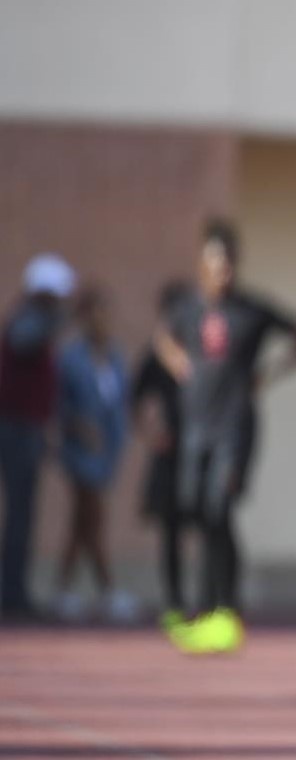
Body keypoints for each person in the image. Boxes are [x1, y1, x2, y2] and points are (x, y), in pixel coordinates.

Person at [155, 219, 296, 654]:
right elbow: (163, 337)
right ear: (202, 265)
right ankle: (205, 610)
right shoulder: (188, 309)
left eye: (228, 264)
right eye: (214, 263)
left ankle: (224, 610)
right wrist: (179, 363)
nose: (222, 272)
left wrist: (273, 371)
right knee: (196, 511)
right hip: (196, 427)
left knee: (219, 508)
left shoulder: (252, 310)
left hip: (235, 427)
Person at [53, 287, 138, 624]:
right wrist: (76, 426)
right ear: (84, 317)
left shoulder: (115, 355)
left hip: (107, 453)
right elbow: (58, 404)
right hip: (80, 452)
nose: (101, 320)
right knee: (93, 518)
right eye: (94, 313)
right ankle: (108, 589)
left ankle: (63, 589)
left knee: (80, 525)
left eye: (106, 312)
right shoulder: (70, 358)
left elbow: (120, 401)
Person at [0, 253, 76, 622]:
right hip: (14, 428)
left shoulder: (36, 320)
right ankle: (10, 591)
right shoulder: (29, 319)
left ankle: (13, 588)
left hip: (27, 428)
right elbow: (22, 341)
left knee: (22, 514)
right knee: (19, 514)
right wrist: (56, 321)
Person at [131, 280, 193, 628]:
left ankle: (218, 603)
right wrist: (152, 434)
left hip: (203, 449)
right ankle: (175, 601)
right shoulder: (157, 355)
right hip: (171, 453)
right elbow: (135, 398)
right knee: (171, 531)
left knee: (214, 522)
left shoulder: (202, 350)